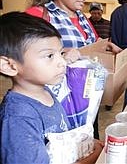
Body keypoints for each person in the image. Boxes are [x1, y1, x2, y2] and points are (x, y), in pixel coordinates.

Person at [25, 0, 121, 140]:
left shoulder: (83, 18)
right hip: (57, 98)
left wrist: (107, 45)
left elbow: (94, 43)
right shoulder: (39, 14)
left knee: (89, 138)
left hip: (87, 94)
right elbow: (23, 54)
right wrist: (59, 53)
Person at [0, 12, 103, 164]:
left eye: (61, 53)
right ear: (9, 66)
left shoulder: (44, 90)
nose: (62, 62)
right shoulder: (19, 119)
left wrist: (86, 143)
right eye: (49, 56)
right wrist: (93, 157)